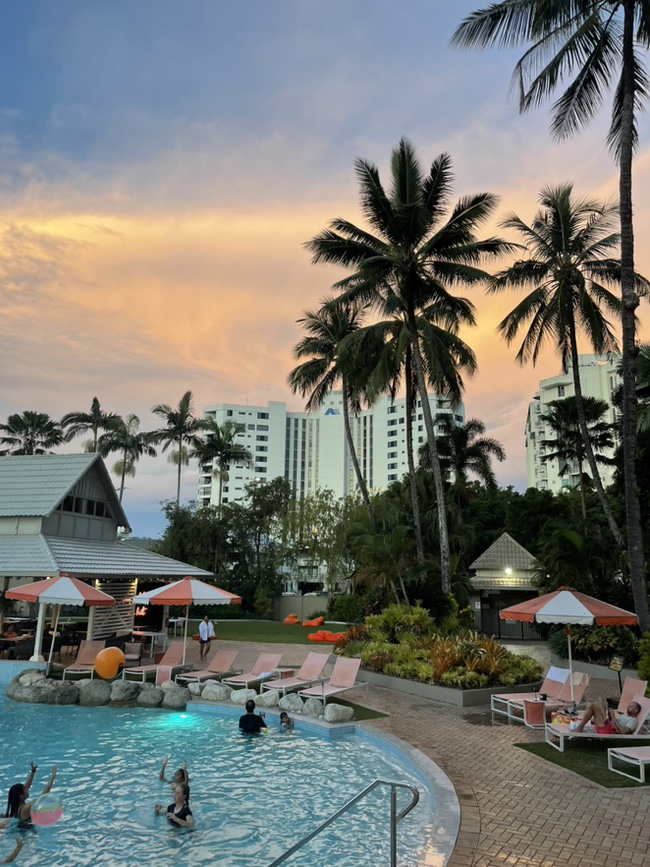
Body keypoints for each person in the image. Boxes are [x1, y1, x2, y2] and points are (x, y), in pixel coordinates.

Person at [573, 698, 641, 735]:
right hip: (608, 725)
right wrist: (610, 716)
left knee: (591, 705)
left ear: (636, 710)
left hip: (609, 731)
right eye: (628, 706)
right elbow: (614, 722)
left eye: (630, 707)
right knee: (601, 699)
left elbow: (624, 732)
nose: (627, 707)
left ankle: (580, 727)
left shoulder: (633, 721)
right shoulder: (624, 715)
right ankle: (605, 716)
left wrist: (614, 718)